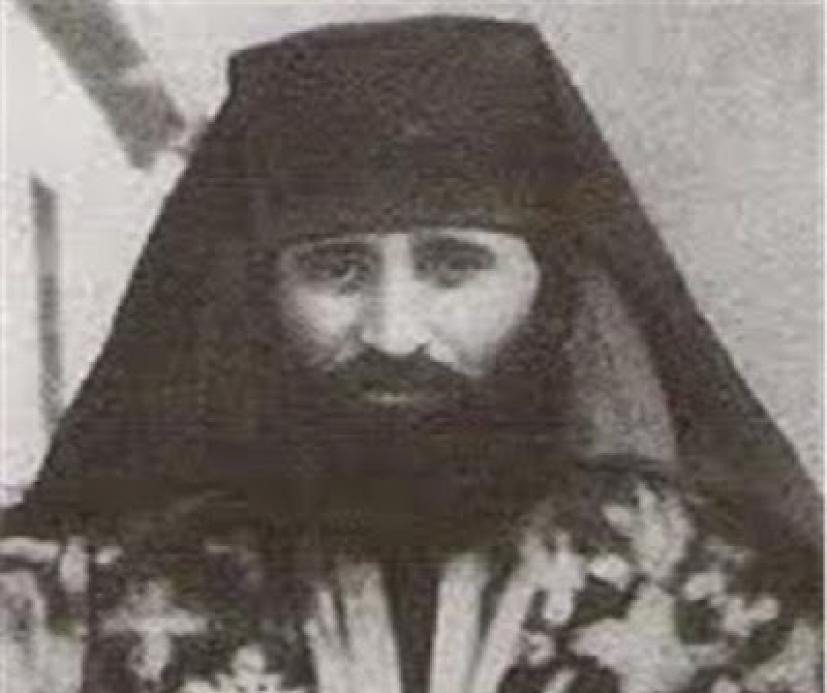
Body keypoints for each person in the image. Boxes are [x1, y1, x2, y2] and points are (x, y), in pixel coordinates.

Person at [1, 15, 821, 693]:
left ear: (550, 293)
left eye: (453, 266)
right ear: (262, 297)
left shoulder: (718, 588)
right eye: (336, 270)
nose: (393, 332)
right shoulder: (80, 603)